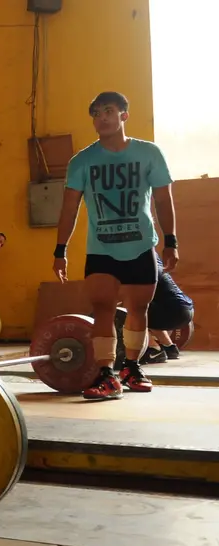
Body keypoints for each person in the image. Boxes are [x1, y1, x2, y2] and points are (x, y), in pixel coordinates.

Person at [54, 90, 178, 400]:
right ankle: (105, 374)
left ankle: (132, 368)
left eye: (108, 111)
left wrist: (171, 241)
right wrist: (60, 250)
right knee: (103, 310)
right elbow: (69, 208)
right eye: (96, 113)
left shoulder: (149, 154)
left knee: (138, 308)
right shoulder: (82, 161)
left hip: (140, 247)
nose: (102, 117)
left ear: (124, 115)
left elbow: (163, 199)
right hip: (101, 250)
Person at [142, 251, 192, 364]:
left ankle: (153, 349)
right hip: (185, 309)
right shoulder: (153, 257)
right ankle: (169, 347)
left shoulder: (138, 263)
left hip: (171, 310)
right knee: (149, 310)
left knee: (134, 309)